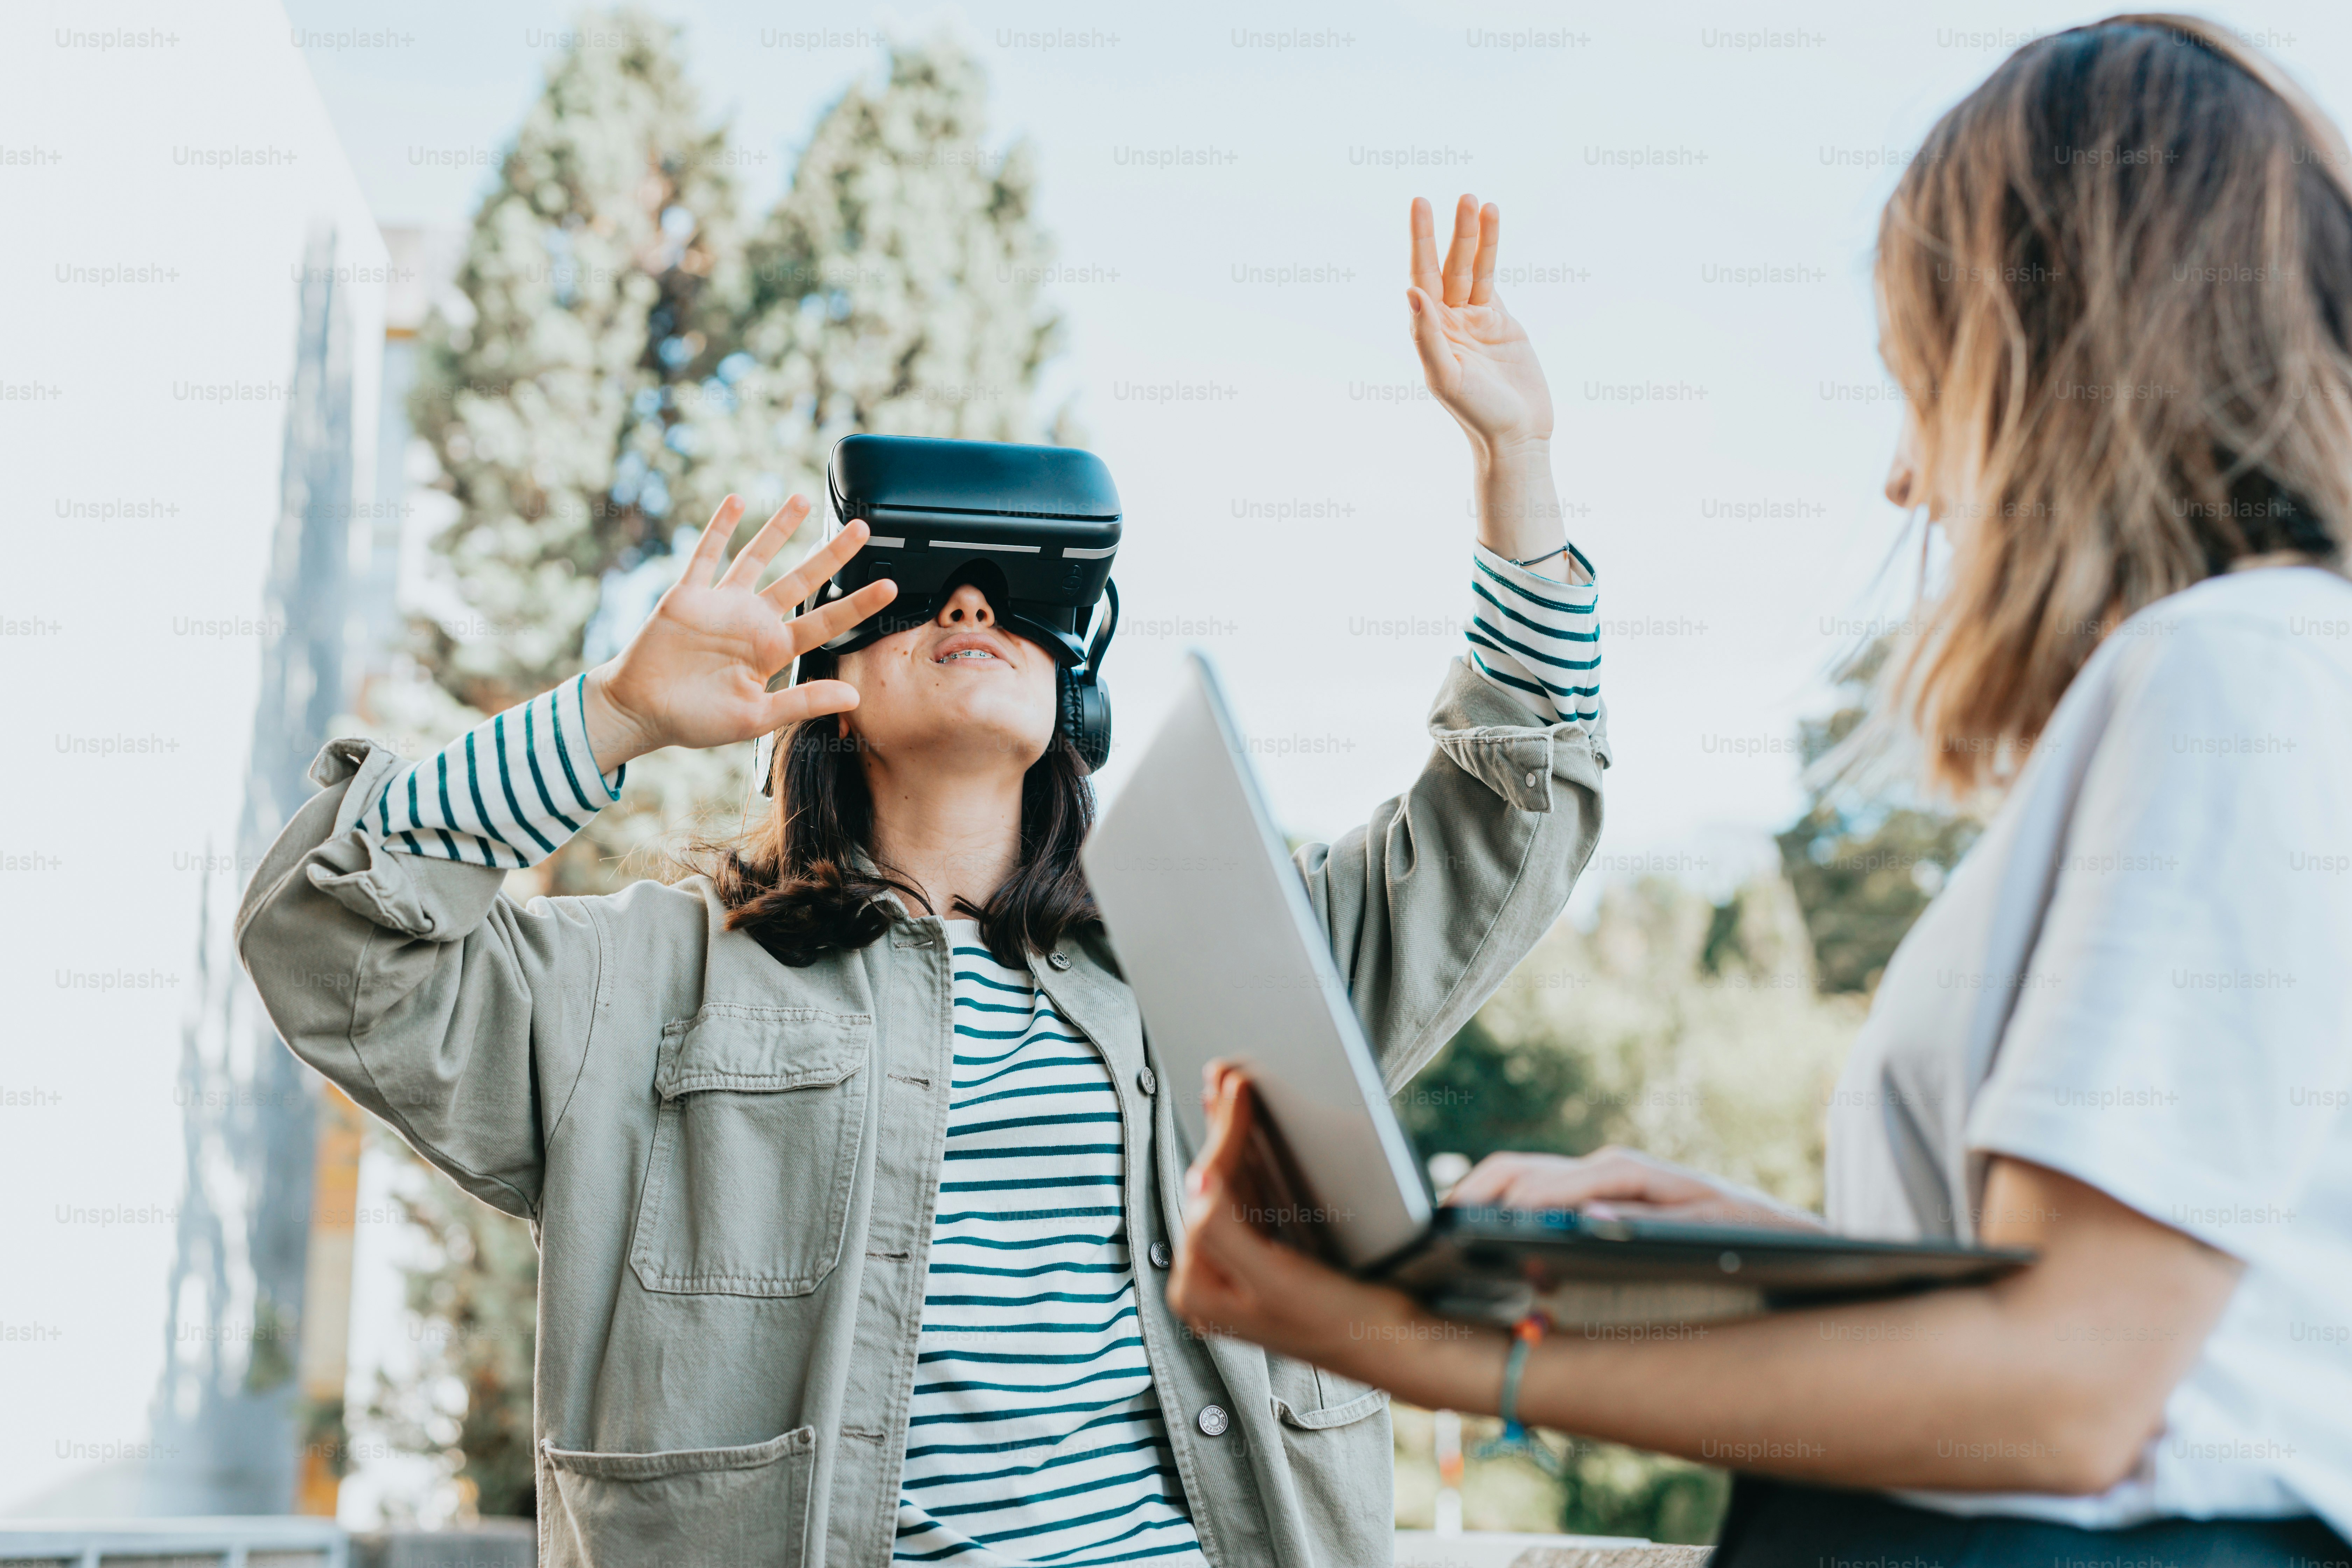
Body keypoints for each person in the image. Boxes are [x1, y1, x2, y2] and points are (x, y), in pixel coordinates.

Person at [235, 199, 1607, 1565]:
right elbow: (326, 926)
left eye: (1012, 596)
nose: (969, 607)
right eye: (925, 592)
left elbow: (1511, 815)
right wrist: (613, 715)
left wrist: (1515, 460)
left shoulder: (1222, 964)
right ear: (820, 693)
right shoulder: (641, 988)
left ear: (1075, 690)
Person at [1167, 15, 2352, 1563]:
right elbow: (2175, 1320)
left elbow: (2074, 1391)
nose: (1904, 479)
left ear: (2058, 368)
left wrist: (1450, 1353)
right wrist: (1747, 1249)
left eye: (1922, 385)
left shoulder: (2240, 670)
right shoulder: (2236, 681)